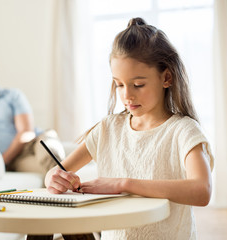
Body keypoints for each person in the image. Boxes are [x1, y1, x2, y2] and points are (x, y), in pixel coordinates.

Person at [44, 18, 214, 239]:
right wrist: (52, 178)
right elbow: (59, 171)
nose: (126, 95)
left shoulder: (183, 131)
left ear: (166, 77)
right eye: (119, 84)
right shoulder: (108, 128)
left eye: (138, 85)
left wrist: (122, 184)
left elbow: (202, 191)